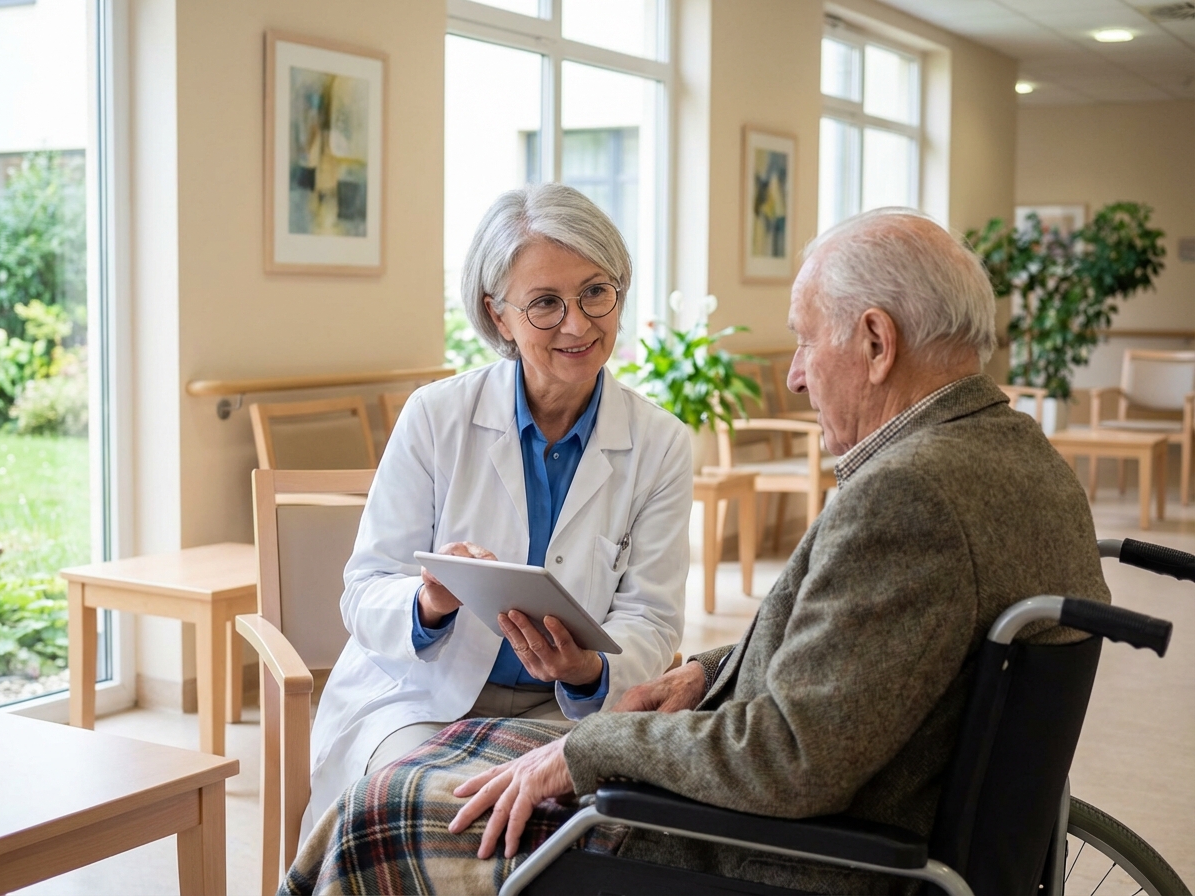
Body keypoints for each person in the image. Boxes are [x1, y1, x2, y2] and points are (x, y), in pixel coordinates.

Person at [284, 208, 1111, 895]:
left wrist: (588, 735)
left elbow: (787, 756)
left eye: (803, 340)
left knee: (390, 811)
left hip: (772, 848)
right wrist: (707, 672)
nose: (791, 375)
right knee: (393, 782)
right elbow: (854, 659)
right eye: (544, 303)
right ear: (498, 314)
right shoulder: (1024, 460)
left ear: (875, 341)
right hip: (438, 696)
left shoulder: (908, 496)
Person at [301, 183, 693, 842]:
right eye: (545, 303)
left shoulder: (662, 444)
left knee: (586, 835)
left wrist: (588, 671)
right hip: (420, 702)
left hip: (566, 713)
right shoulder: (435, 417)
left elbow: (652, 617)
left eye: (596, 292)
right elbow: (365, 591)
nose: (579, 324)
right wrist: (428, 603)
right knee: (437, 814)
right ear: (498, 315)